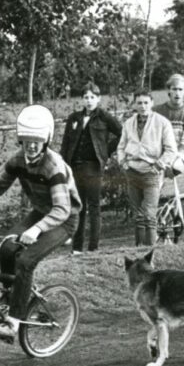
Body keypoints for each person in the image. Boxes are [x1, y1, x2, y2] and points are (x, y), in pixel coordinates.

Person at [0, 105, 81, 339]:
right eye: (27, 139)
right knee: (7, 248)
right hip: (41, 212)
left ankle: (14, 322)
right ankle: (11, 295)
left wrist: (37, 228)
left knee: (25, 261)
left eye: (38, 140)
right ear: (21, 139)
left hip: (63, 220)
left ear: (46, 140)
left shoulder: (53, 166)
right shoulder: (19, 160)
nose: (32, 145)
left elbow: (62, 208)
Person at [60, 82, 122, 255]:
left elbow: (121, 133)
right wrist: (63, 165)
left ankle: (93, 247)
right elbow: (66, 143)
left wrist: (105, 151)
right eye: (86, 97)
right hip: (74, 167)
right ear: (82, 99)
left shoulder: (104, 117)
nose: (89, 101)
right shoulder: (74, 118)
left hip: (93, 167)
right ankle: (77, 248)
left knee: (94, 207)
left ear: (98, 99)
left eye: (92, 97)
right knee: (78, 207)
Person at [117, 90, 177, 246]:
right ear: (134, 105)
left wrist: (159, 164)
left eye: (146, 103)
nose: (142, 106)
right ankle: (138, 252)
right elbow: (121, 146)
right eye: (139, 103)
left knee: (149, 215)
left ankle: (151, 254)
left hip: (151, 173)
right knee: (138, 215)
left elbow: (171, 149)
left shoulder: (162, 122)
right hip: (132, 171)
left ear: (151, 103)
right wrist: (123, 162)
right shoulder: (129, 123)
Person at [154, 74, 184, 223]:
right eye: (174, 89)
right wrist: (163, 159)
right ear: (168, 91)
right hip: (158, 156)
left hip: (178, 157)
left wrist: (174, 158)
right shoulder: (156, 112)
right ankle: (150, 219)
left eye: (180, 89)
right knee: (153, 187)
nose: (177, 93)